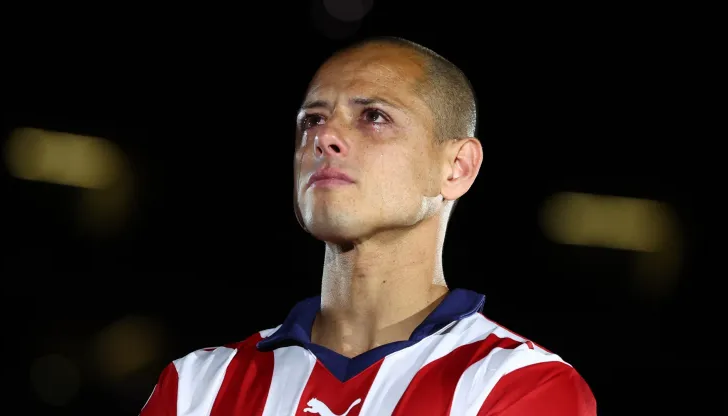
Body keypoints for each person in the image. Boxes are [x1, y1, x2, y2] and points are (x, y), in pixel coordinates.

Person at [140, 36, 596, 416]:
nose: (325, 137)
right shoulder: (195, 387)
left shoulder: (521, 386)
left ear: (457, 167)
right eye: (313, 120)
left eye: (374, 116)